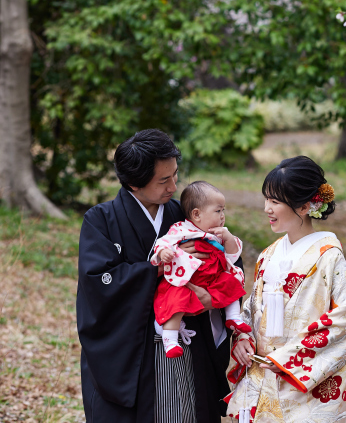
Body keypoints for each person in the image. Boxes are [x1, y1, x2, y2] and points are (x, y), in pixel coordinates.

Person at [77, 129, 239, 423]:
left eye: (175, 175)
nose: (174, 186)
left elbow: (225, 264)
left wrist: (212, 299)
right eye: (163, 181)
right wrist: (157, 269)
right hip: (132, 351)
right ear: (133, 184)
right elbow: (98, 281)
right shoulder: (101, 220)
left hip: (186, 343)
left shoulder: (186, 215)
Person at [225, 156, 346, 422]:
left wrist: (288, 358)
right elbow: (251, 309)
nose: (266, 208)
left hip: (307, 380)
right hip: (266, 376)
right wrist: (242, 339)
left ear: (305, 206)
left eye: (275, 201)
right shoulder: (268, 255)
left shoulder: (329, 256)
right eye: (266, 199)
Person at [151, 181, 251, 358]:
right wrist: (165, 252)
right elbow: (164, 242)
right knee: (175, 301)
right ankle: (170, 339)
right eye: (218, 210)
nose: (222, 216)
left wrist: (228, 239)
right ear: (196, 214)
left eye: (223, 211)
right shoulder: (182, 229)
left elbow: (233, 257)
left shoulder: (218, 233)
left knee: (230, 283)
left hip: (212, 278)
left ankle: (234, 317)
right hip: (187, 279)